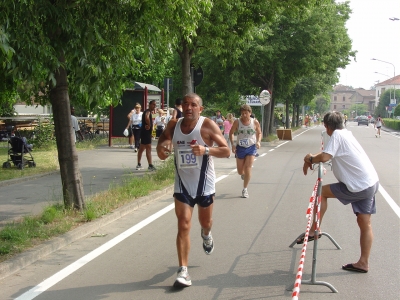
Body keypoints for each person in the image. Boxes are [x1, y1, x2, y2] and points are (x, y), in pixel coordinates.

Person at [156, 93, 230, 287]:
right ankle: (183, 271)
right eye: (186, 104)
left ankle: (206, 235)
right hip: (182, 183)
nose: (189, 108)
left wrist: (205, 150)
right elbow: (162, 144)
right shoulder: (174, 125)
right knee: (184, 223)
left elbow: (226, 150)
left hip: (205, 184)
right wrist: (163, 148)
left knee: (205, 222)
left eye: (193, 105)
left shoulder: (207, 126)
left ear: (200, 109)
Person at [302, 111, 379, 273]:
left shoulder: (336, 135)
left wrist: (309, 159)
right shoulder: (346, 133)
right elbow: (327, 155)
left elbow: (324, 157)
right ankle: (363, 262)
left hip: (358, 185)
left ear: (327, 126)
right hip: (370, 182)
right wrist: (311, 157)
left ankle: (315, 228)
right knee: (365, 223)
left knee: (321, 192)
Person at [229, 104, 262, 198]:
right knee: (240, 171)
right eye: (242, 113)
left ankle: (245, 189)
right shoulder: (237, 122)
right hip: (240, 147)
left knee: (248, 167)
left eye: (246, 113)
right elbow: (231, 133)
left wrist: (258, 141)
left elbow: (259, 133)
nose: (244, 115)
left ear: (250, 113)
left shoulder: (254, 122)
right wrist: (233, 144)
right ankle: (243, 174)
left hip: (251, 147)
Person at [136, 100, 157, 171]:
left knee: (141, 149)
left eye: (155, 105)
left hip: (144, 133)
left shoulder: (147, 111)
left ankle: (138, 164)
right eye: (153, 105)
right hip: (146, 133)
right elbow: (147, 117)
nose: (154, 106)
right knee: (148, 148)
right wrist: (149, 124)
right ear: (150, 104)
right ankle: (150, 165)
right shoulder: (148, 112)